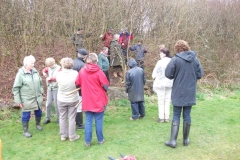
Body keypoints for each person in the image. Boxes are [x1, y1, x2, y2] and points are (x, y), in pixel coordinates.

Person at [164, 40, 204, 148]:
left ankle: (173, 141)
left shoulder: (175, 60)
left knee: (176, 114)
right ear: (187, 47)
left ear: (177, 48)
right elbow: (200, 74)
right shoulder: (195, 60)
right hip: (190, 91)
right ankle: (185, 140)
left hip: (178, 91)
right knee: (187, 115)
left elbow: (168, 74)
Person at [75, 53, 109, 147]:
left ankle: (87, 142)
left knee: (88, 121)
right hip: (98, 100)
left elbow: (77, 83)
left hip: (87, 100)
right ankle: (100, 140)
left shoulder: (82, 71)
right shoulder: (99, 72)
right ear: (95, 61)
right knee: (98, 121)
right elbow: (106, 86)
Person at [12, 55, 44, 138]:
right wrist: (18, 101)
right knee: (26, 114)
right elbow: (16, 88)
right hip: (26, 99)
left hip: (37, 97)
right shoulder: (20, 74)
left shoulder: (35, 71)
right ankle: (25, 131)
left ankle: (38, 124)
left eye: (34, 63)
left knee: (39, 112)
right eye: (31, 63)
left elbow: (40, 82)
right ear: (26, 64)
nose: (33, 65)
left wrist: (41, 91)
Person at [56, 57, 80, 142]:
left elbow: (57, 84)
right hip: (73, 99)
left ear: (62, 64)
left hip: (61, 99)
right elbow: (78, 84)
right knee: (72, 117)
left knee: (62, 117)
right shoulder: (75, 73)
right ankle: (72, 136)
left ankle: (63, 136)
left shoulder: (58, 74)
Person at [152, 49, 173, 123]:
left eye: (160, 53)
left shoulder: (160, 62)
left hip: (160, 83)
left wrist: (155, 76)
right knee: (167, 100)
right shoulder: (172, 61)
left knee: (161, 101)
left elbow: (154, 73)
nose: (159, 54)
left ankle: (161, 117)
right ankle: (167, 117)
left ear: (164, 54)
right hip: (169, 83)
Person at [72, 48, 88, 130]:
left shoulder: (72, 62)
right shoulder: (83, 66)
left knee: (73, 105)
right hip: (78, 88)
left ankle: (74, 121)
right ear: (84, 57)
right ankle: (79, 123)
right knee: (79, 105)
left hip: (70, 87)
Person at [42, 57, 61, 124]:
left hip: (56, 88)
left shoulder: (59, 68)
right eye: (48, 66)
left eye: (50, 65)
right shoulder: (48, 68)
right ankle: (48, 118)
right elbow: (45, 69)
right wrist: (44, 72)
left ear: (54, 63)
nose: (50, 67)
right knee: (48, 104)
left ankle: (59, 119)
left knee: (57, 104)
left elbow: (59, 78)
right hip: (49, 88)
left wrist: (51, 78)